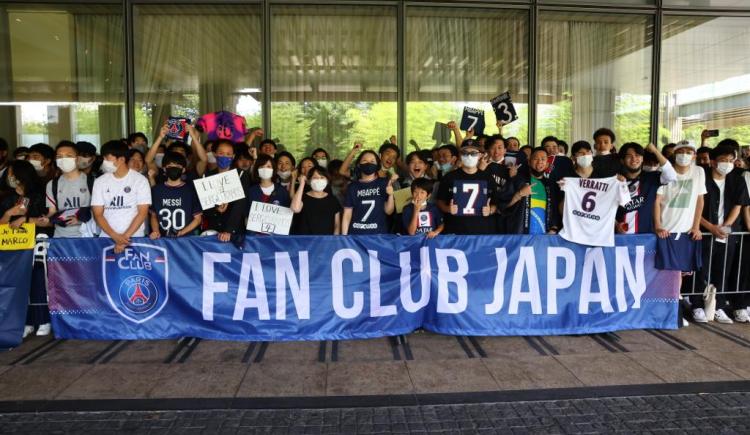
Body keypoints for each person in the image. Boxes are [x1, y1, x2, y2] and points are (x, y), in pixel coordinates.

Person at [697, 145, 749, 323]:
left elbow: (738, 205)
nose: (727, 164)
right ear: (713, 162)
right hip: (702, 231)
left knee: (723, 269)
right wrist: (710, 227)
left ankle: (718, 306)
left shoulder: (737, 179)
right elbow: (694, 207)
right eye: (723, 161)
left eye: (730, 161)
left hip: (726, 233)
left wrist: (725, 227)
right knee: (701, 269)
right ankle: (697, 305)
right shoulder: (701, 177)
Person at [654, 141, 706, 321]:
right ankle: (663, 312)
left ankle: (674, 313)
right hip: (665, 230)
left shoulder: (699, 172)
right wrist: (658, 225)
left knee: (678, 276)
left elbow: (700, 201)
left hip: (685, 232)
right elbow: (657, 201)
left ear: (694, 155)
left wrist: (696, 226)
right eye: (681, 151)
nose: (684, 154)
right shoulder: (665, 173)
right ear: (674, 154)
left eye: (689, 151)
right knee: (663, 274)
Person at [0, 160, 52, 337]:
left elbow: (45, 220)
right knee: (21, 284)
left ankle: (43, 319)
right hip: (13, 247)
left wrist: (25, 219)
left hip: (36, 243)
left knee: (39, 281)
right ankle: (27, 320)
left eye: (12, 173)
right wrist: (8, 214)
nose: (10, 177)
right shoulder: (7, 198)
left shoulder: (38, 195)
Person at [91, 140, 151, 254]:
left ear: (122, 159)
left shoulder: (140, 180)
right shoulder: (100, 181)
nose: (104, 162)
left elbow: (142, 212)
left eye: (108, 159)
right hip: (107, 238)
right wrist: (115, 236)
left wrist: (124, 239)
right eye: (104, 159)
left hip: (134, 239)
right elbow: (98, 214)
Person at [436, 139, 497, 235]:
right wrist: (448, 209)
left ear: (480, 155)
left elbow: (495, 203)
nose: (469, 156)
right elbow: (439, 201)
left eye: (473, 153)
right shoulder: (449, 177)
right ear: (460, 155)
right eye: (465, 153)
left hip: (482, 230)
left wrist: (490, 210)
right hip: (455, 229)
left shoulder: (487, 178)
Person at [616, 142, 676, 234]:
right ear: (622, 160)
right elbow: (604, 209)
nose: (634, 159)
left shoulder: (652, 178)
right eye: (629, 156)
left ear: (642, 158)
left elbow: (671, 175)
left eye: (637, 155)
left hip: (646, 239)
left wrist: (655, 151)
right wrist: (616, 224)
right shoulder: (615, 181)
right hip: (619, 239)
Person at [503, 148, 561, 235]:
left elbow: (556, 212)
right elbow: (502, 206)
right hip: (520, 238)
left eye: (543, 159)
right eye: (536, 159)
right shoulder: (518, 180)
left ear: (547, 164)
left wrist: (554, 228)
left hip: (544, 239)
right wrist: (519, 194)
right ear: (529, 162)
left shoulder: (551, 185)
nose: (539, 162)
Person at [201, 139, 249, 243]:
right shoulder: (207, 176)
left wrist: (229, 230)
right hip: (212, 229)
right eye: (221, 153)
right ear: (214, 154)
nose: (225, 156)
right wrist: (216, 209)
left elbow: (240, 205)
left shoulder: (241, 175)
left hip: (234, 231)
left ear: (233, 156)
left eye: (228, 154)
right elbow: (204, 206)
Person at [45, 141, 95, 238]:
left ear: (77, 159)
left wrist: (81, 219)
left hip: (86, 237)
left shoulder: (92, 182)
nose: (64, 159)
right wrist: (47, 219)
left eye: (68, 155)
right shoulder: (52, 184)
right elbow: (52, 211)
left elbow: (98, 212)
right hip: (60, 238)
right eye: (59, 157)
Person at [341, 150, 396, 235]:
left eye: (372, 161)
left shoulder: (384, 183)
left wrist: (391, 195)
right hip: (356, 235)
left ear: (377, 164)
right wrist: (344, 237)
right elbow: (347, 213)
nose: (368, 163)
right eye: (365, 160)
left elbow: (389, 211)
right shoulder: (353, 187)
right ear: (359, 164)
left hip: (378, 235)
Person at [149, 152, 202, 239]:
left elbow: (198, 218)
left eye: (178, 166)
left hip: (186, 239)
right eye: (170, 166)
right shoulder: (156, 190)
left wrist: (182, 233)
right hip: (162, 239)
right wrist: (156, 231)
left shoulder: (191, 190)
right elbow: (153, 215)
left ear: (184, 169)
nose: (174, 168)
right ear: (164, 169)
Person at [291, 167, 342, 235]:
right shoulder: (301, 197)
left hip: (325, 242)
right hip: (304, 242)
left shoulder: (333, 200)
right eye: (315, 177)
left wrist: (333, 241)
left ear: (327, 180)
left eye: (322, 177)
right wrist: (302, 184)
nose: (319, 180)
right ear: (309, 181)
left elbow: (337, 225)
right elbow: (295, 209)